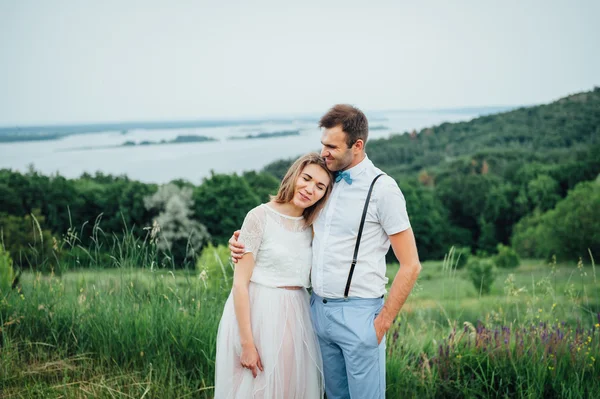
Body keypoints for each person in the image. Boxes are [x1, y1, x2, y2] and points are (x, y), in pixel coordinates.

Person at [230, 104, 422, 399]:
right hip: (315, 313)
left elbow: (411, 265)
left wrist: (381, 324)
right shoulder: (324, 184)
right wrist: (244, 244)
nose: (324, 152)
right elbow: (290, 231)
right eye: (323, 144)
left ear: (357, 146)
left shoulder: (383, 190)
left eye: (332, 146)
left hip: (360, 314)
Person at [214, 152, 333, 399]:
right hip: (258, 314)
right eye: (307, 178)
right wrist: (247, 343)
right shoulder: (259, 217)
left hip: (298, 315)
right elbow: (239, 284)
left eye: (320, 186)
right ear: (293, 176)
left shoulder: (315, 226)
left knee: (290, 389)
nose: (310, 189)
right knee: (255, 388)